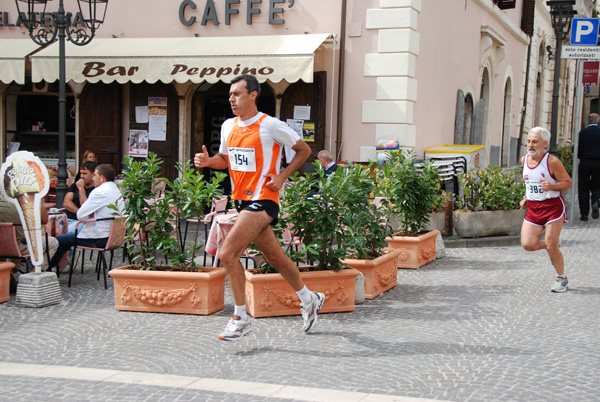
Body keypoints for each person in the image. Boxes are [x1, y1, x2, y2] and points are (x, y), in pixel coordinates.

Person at [194, 74, 324, 341]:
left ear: (253, 95)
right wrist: (209, 162)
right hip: (242, 201)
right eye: (230, 94)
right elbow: (225, 159)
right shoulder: (228, 126)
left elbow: (304, 151)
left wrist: (282, 176)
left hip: (264, 199)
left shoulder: (270, 125)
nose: (231, 99)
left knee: (228, 253)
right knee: (276, 258)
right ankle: (309, 298)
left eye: (237, 94)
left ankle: (240, 319)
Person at [520, 127, 572, 293]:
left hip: (552, 207)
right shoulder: (524, 160)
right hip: (534, 209)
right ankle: (552, 245)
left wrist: (552, 186)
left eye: (535, 142)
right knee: (527, 244)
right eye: (529, 141)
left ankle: (561, 278)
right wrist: (526, 197)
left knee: (551, 245)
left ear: (545, 144)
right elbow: (530, 183)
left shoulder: (552, 162)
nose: (530, 145)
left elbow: (568, 183)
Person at [48, 164, 122, 270]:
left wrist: (89, 215)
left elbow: (81, 215)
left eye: (95, 175)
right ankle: (57, 266)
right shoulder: (116, 191)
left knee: (60, 239)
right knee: (66, 238)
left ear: (102, 178)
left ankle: (47, 269)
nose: (93, 178)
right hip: (113, 238)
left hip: (100, 238)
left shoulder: (99, 191)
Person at [0, 194, 59, 274]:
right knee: (53, 242)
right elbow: (44, 220)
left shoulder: (6, 202)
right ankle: (33, 274)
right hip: (19, 246)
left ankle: (10, 272)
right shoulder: (21, 200)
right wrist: (38, 199)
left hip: (4, 246)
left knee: (18, 238)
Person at [577, 113, 600, 221]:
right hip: (598, 162)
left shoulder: (582, 133)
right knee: (596, 185)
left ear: (588, 121)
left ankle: (584, 214)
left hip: (585, 161)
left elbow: (576, 148)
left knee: (583, 187)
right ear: (598, 121)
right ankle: (595, 201)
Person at [63, 161, 97, 233]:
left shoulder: (96, 189)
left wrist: (81, 188)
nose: (81, 176)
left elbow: (86, 207)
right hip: (67, 219)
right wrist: (80, 212)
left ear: (93, 175)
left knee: (62, 235)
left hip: (82, 222)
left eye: (85, 173)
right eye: (81, 173)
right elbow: (66, 202)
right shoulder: (75, 185)